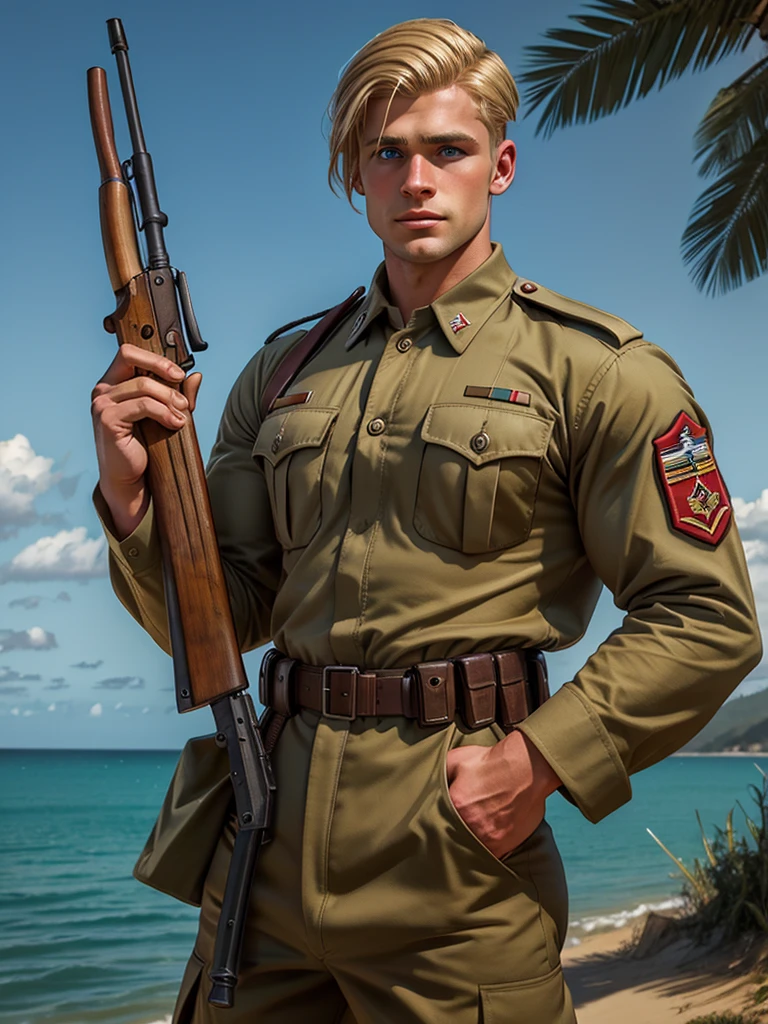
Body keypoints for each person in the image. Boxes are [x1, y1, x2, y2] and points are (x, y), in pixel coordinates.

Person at [90, 18, 761, 1023]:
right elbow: (221, 624)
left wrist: (536, 763)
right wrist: (134, 495)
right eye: (387, 153)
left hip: (458, 863)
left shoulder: (598, 369)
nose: (416, 178)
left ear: (500, 164)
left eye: (446, 150)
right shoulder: (280, 375)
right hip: (264, 843)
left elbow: (707, 618)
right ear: (354, 177)